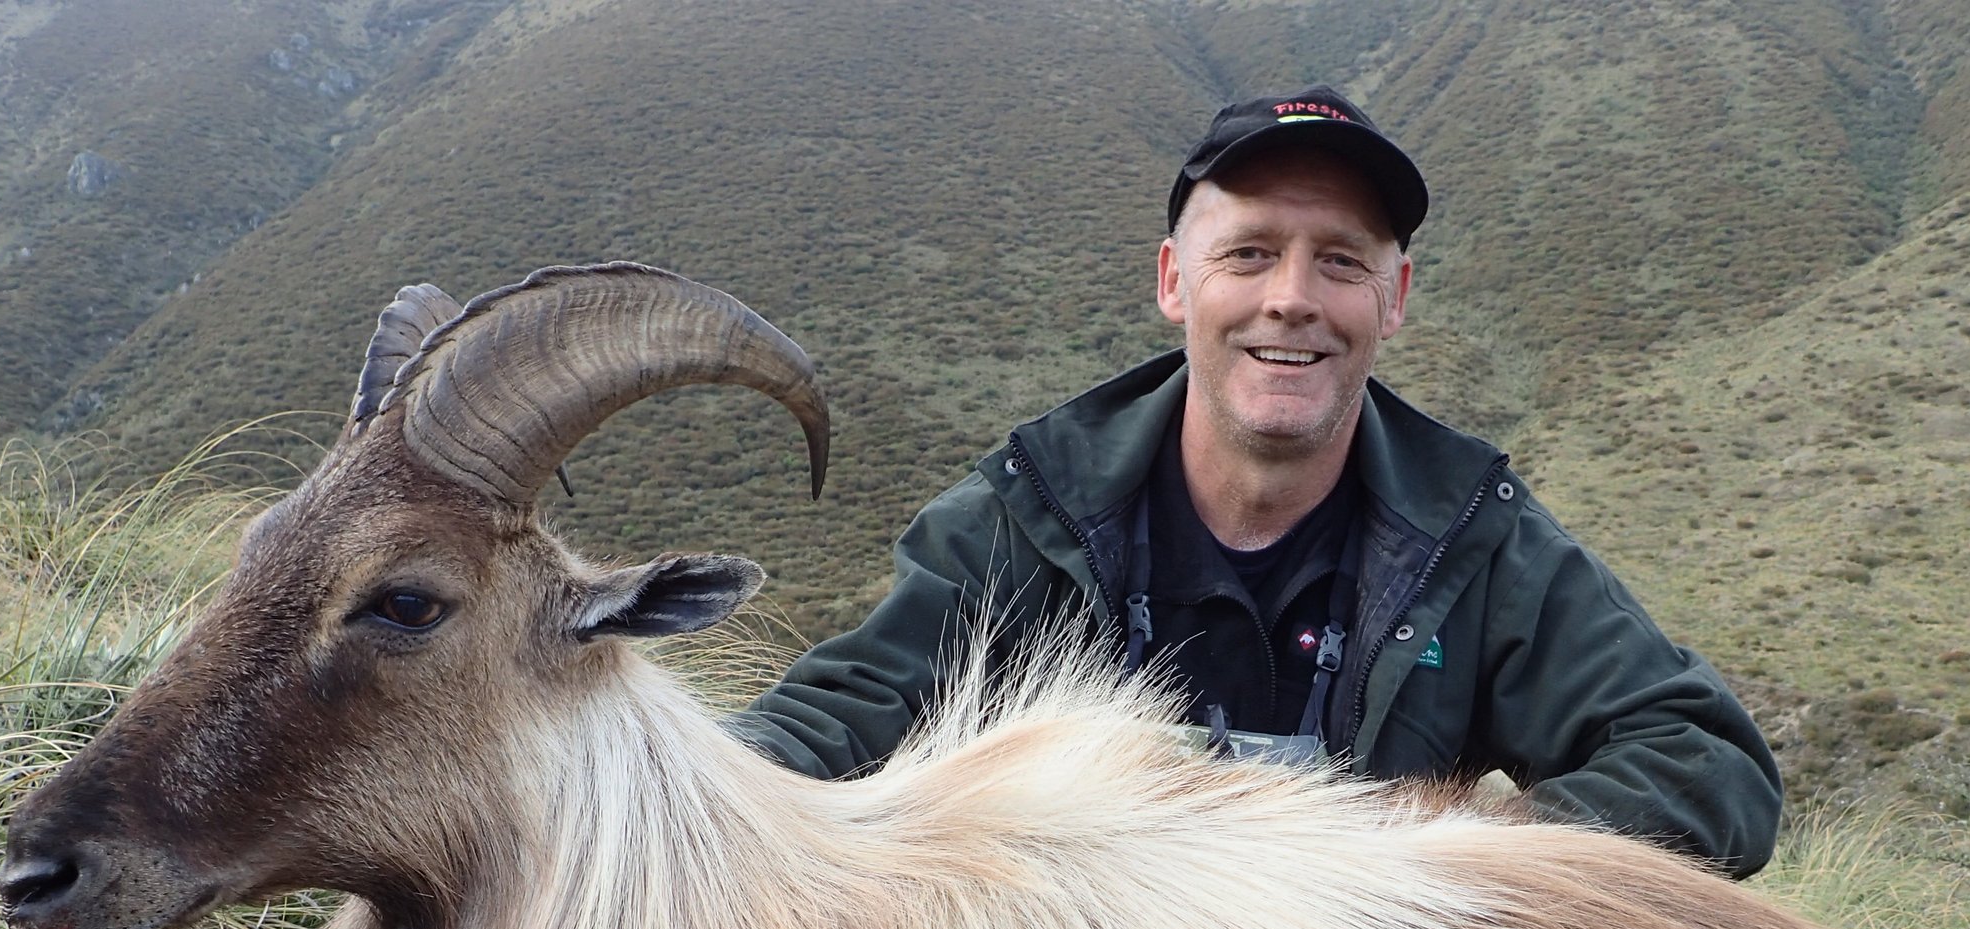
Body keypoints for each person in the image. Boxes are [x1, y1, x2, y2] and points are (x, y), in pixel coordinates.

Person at [732, 87, 1782, 877]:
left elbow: (1706, 766)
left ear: (1395, 296)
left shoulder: (1472, 537)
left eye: (1340, 261)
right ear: (1173, 281)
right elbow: (841, 714)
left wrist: (1434, 860)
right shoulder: (1032, 513)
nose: (1291, 300)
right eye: (1247, 254)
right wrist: (683, 798)